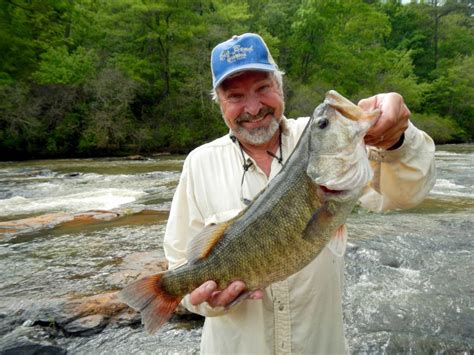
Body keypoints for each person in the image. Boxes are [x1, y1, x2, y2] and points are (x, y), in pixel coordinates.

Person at [163, 33, 436, 354]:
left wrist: (396, 139)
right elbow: (180, 267)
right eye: (235, 96)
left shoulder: (325, 134)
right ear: (219, 103)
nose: (253, 107)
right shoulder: (199, 163)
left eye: (262, 88)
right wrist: (206, 303)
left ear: (280, 86)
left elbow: (406, 192)